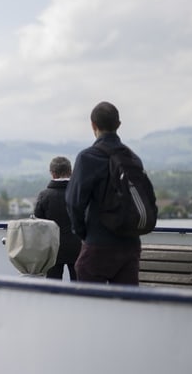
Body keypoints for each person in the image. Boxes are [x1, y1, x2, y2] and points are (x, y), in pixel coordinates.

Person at [65, 101, 142, 285]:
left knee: (91, 305)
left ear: (93, 125)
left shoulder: (88, 157)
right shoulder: (133, 158)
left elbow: (74, 202)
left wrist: (84, 233)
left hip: (99, 244)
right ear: (118, 125)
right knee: (126, 304)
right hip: (130, 245)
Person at [33, 156, 81, 280]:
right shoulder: (79, 193)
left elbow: (38, 222)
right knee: (81, 286)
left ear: (53, 174)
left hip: (53, 248)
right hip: (77, 247)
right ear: (70, 172)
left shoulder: (44, 196)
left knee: (53, 287)